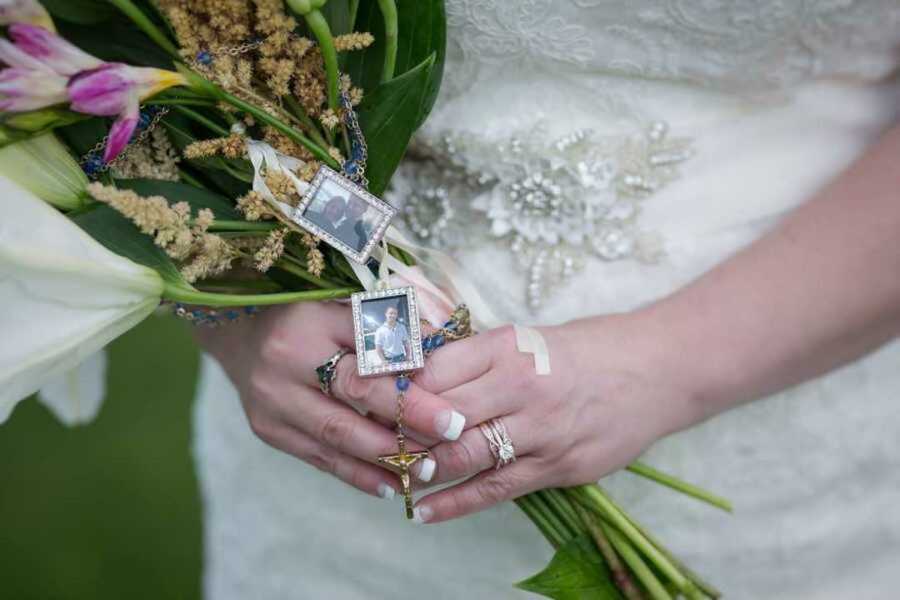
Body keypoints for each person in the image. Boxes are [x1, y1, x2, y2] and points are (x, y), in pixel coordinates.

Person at [192, 3, 900, 599]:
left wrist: (667, 369)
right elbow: (122, 82)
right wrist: (237, 306)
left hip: (790, 438)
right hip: (329, 492)